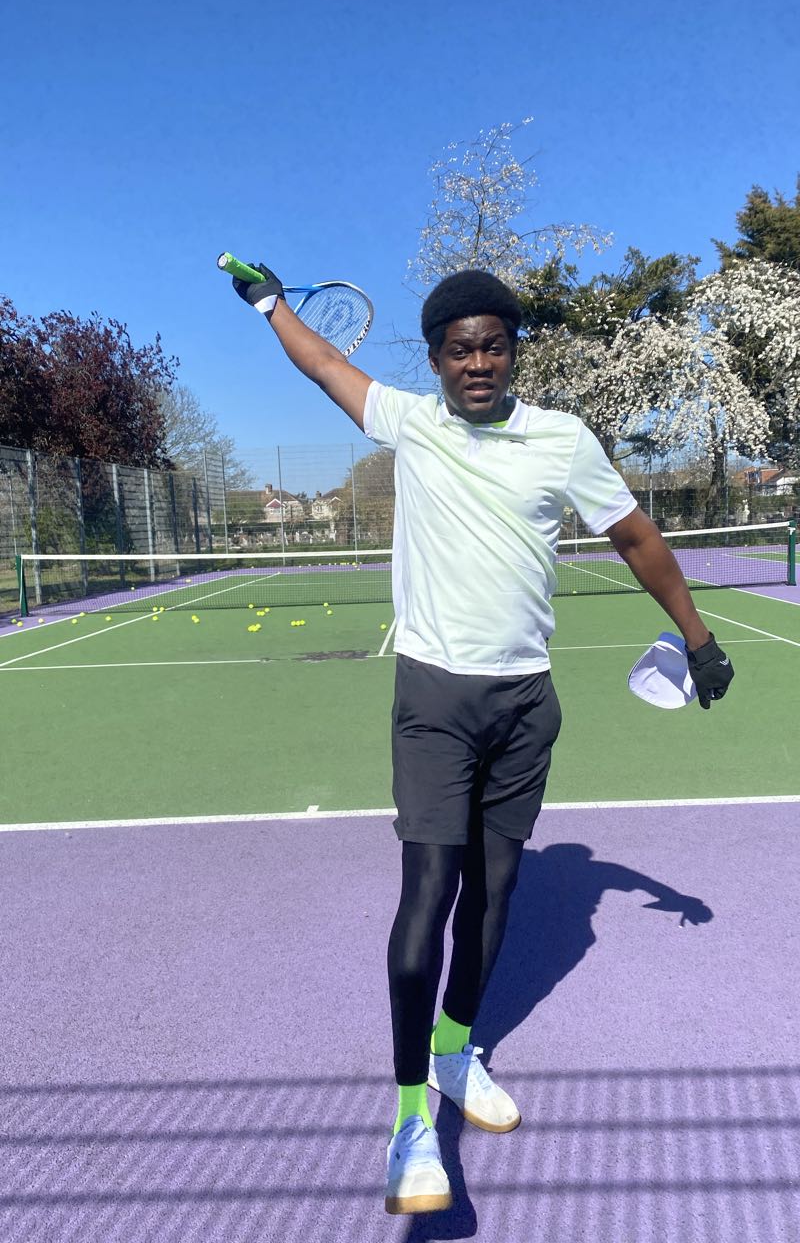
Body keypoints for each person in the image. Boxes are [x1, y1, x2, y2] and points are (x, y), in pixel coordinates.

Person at [231, 265, 734, 1216]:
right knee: (429, 892)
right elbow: (326, 365)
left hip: (525, 704)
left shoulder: (563, 439)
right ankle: (409, 1121)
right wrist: (270, 306)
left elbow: (635, 537)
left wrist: (699, 639)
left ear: (512, 352)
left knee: (496, 893)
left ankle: (457, 1051)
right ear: (435, 360)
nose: (477, 362)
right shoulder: (412, 422)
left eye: (492, 345)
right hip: (435, 699)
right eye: (459, 349)